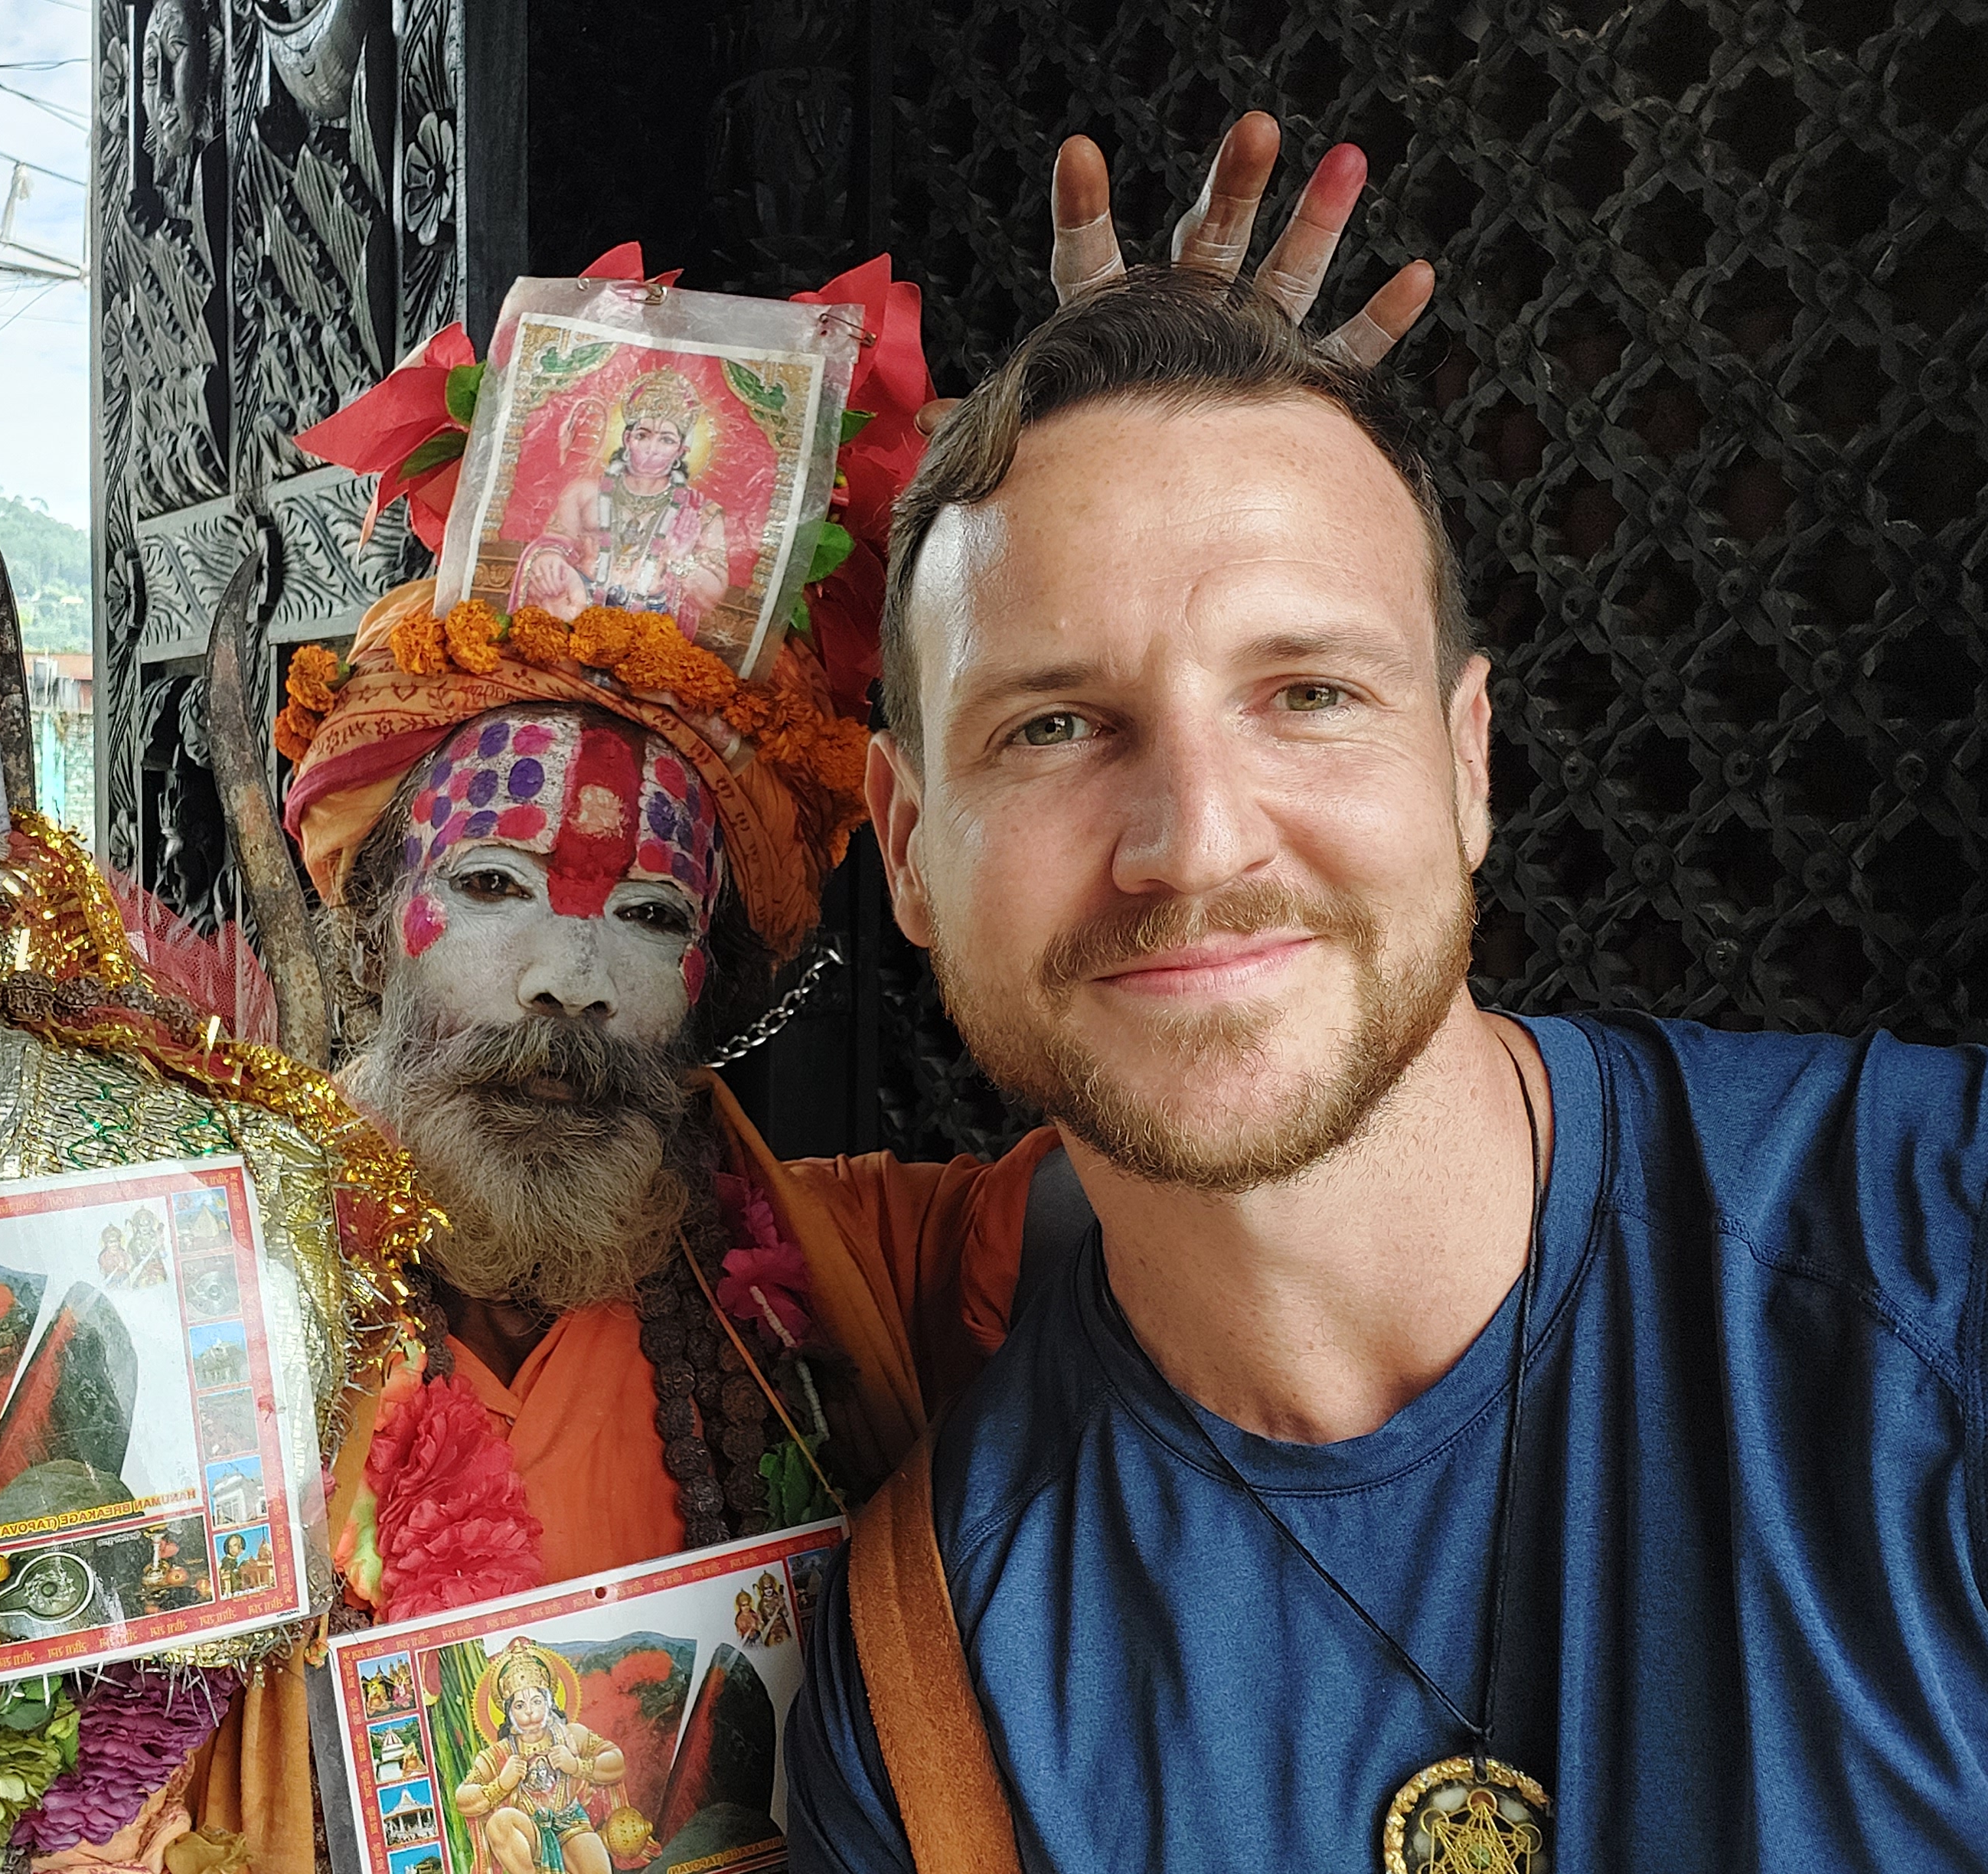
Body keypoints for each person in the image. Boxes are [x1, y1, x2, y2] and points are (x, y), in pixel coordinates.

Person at [185, 111, 1436, 1874]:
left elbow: (1246, 1147)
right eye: (492, 889)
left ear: (709, 982)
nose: (569, 982)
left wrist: (1188, 491)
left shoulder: (872, 1276)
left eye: (645, 916)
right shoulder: (181, 1319)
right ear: (373, 918)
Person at [779, 262, 1988, 1868]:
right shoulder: (929, 1683)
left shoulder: (1936, 1261)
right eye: (1053, 726)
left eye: (1308, 694)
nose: (1195, 842)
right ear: (906, 847)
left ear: (1467, 762)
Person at [512, 367, 733, 632]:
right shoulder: (583, 492)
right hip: (574, 610)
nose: (651, 449)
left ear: (681, 450)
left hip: (650, 627)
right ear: (627, 439)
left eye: (666, 440)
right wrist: (549, 559)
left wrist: (679, 561)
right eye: (643, 435)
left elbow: (712, 595)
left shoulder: (701, 513)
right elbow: (552, 542)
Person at [454, 1641, 628, 1874]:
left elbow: (616, 1762)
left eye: (536, 1701)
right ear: (508, 1713)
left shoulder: (572, 1735)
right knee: (500, 1822)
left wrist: (577, 1766)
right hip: (529, 1833)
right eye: (519, 1705)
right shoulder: (499, 1754)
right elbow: (463, 1799)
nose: (529, 1711)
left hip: (571, 1824)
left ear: (549, 1702)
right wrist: (501, 1785)